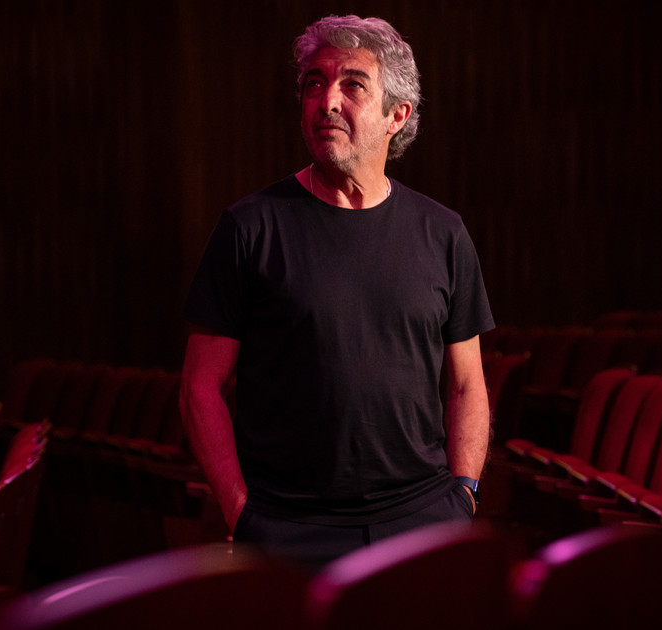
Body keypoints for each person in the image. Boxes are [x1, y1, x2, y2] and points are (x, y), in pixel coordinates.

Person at [180, 14, 495, 569]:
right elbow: (199, 386)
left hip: (422, 518)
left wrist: (463, 495)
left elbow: (467, 384)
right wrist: (241, 512)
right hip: (289, 528)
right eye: (314, 83)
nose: (327, 101)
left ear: (397, 115)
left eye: (352, 84)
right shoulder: (249, 229)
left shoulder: (443, 233)